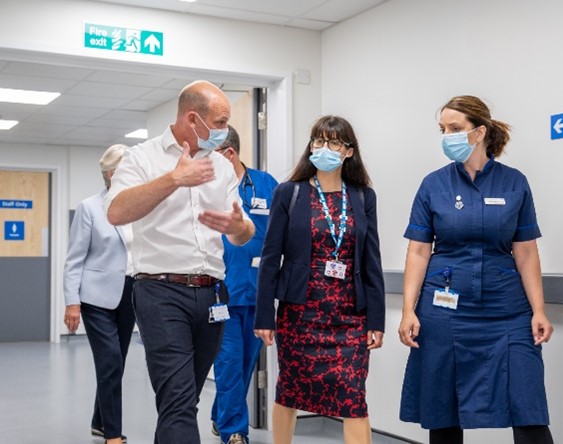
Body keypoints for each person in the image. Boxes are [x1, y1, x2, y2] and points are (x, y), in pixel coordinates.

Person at [104, 80, 255, 444]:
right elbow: (116, 211)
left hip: (213, 297)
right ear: (193, 118)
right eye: (219, 122)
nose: (224, 132)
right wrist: (174, 179)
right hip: (160, 292)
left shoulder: (221, 165)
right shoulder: (142, 157)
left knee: (184, 399)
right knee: (178, 400)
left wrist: (239, 226)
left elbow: (242, 231)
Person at [398, 95, 555, 444]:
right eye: (442, 129)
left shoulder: (514, 182)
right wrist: (408, 310)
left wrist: (539, 310)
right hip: (445, 311)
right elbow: (419, 250)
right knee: (443, 410)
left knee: (528, 405)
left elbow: (526, 251)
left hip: (507, 310)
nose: (447, 135)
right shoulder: (433, 185)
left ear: (480, 132)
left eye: (455, 128)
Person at [254, 115, 385, 444]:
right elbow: (271, 258)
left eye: (334, 142)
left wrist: (376, 320)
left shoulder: (363, 197)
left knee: (354, 397)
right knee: (289, 390)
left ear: (349, 152)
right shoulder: (290, 193)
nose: (324, 148)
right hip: (300, 314)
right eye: (318, 141)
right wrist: (264, 316)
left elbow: (372, 261)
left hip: (350, 317)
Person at [210, 125, 278, 444]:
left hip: (256, 292)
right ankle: (235, 431)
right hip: (219, 294)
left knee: (245, 365)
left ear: (229, 154)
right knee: (227, 362)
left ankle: (219, 414)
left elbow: (281, 235)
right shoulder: (206, 189)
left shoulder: (265, 185)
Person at [63, 143, 135, 444]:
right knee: (110, 363)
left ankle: (98, 421)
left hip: (130, 293)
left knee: (115, 363)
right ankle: (113, 435)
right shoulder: (89, 207)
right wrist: (72, 303)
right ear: (112, 173)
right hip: (96, 299)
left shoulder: (139, 205)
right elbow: (74, 258)